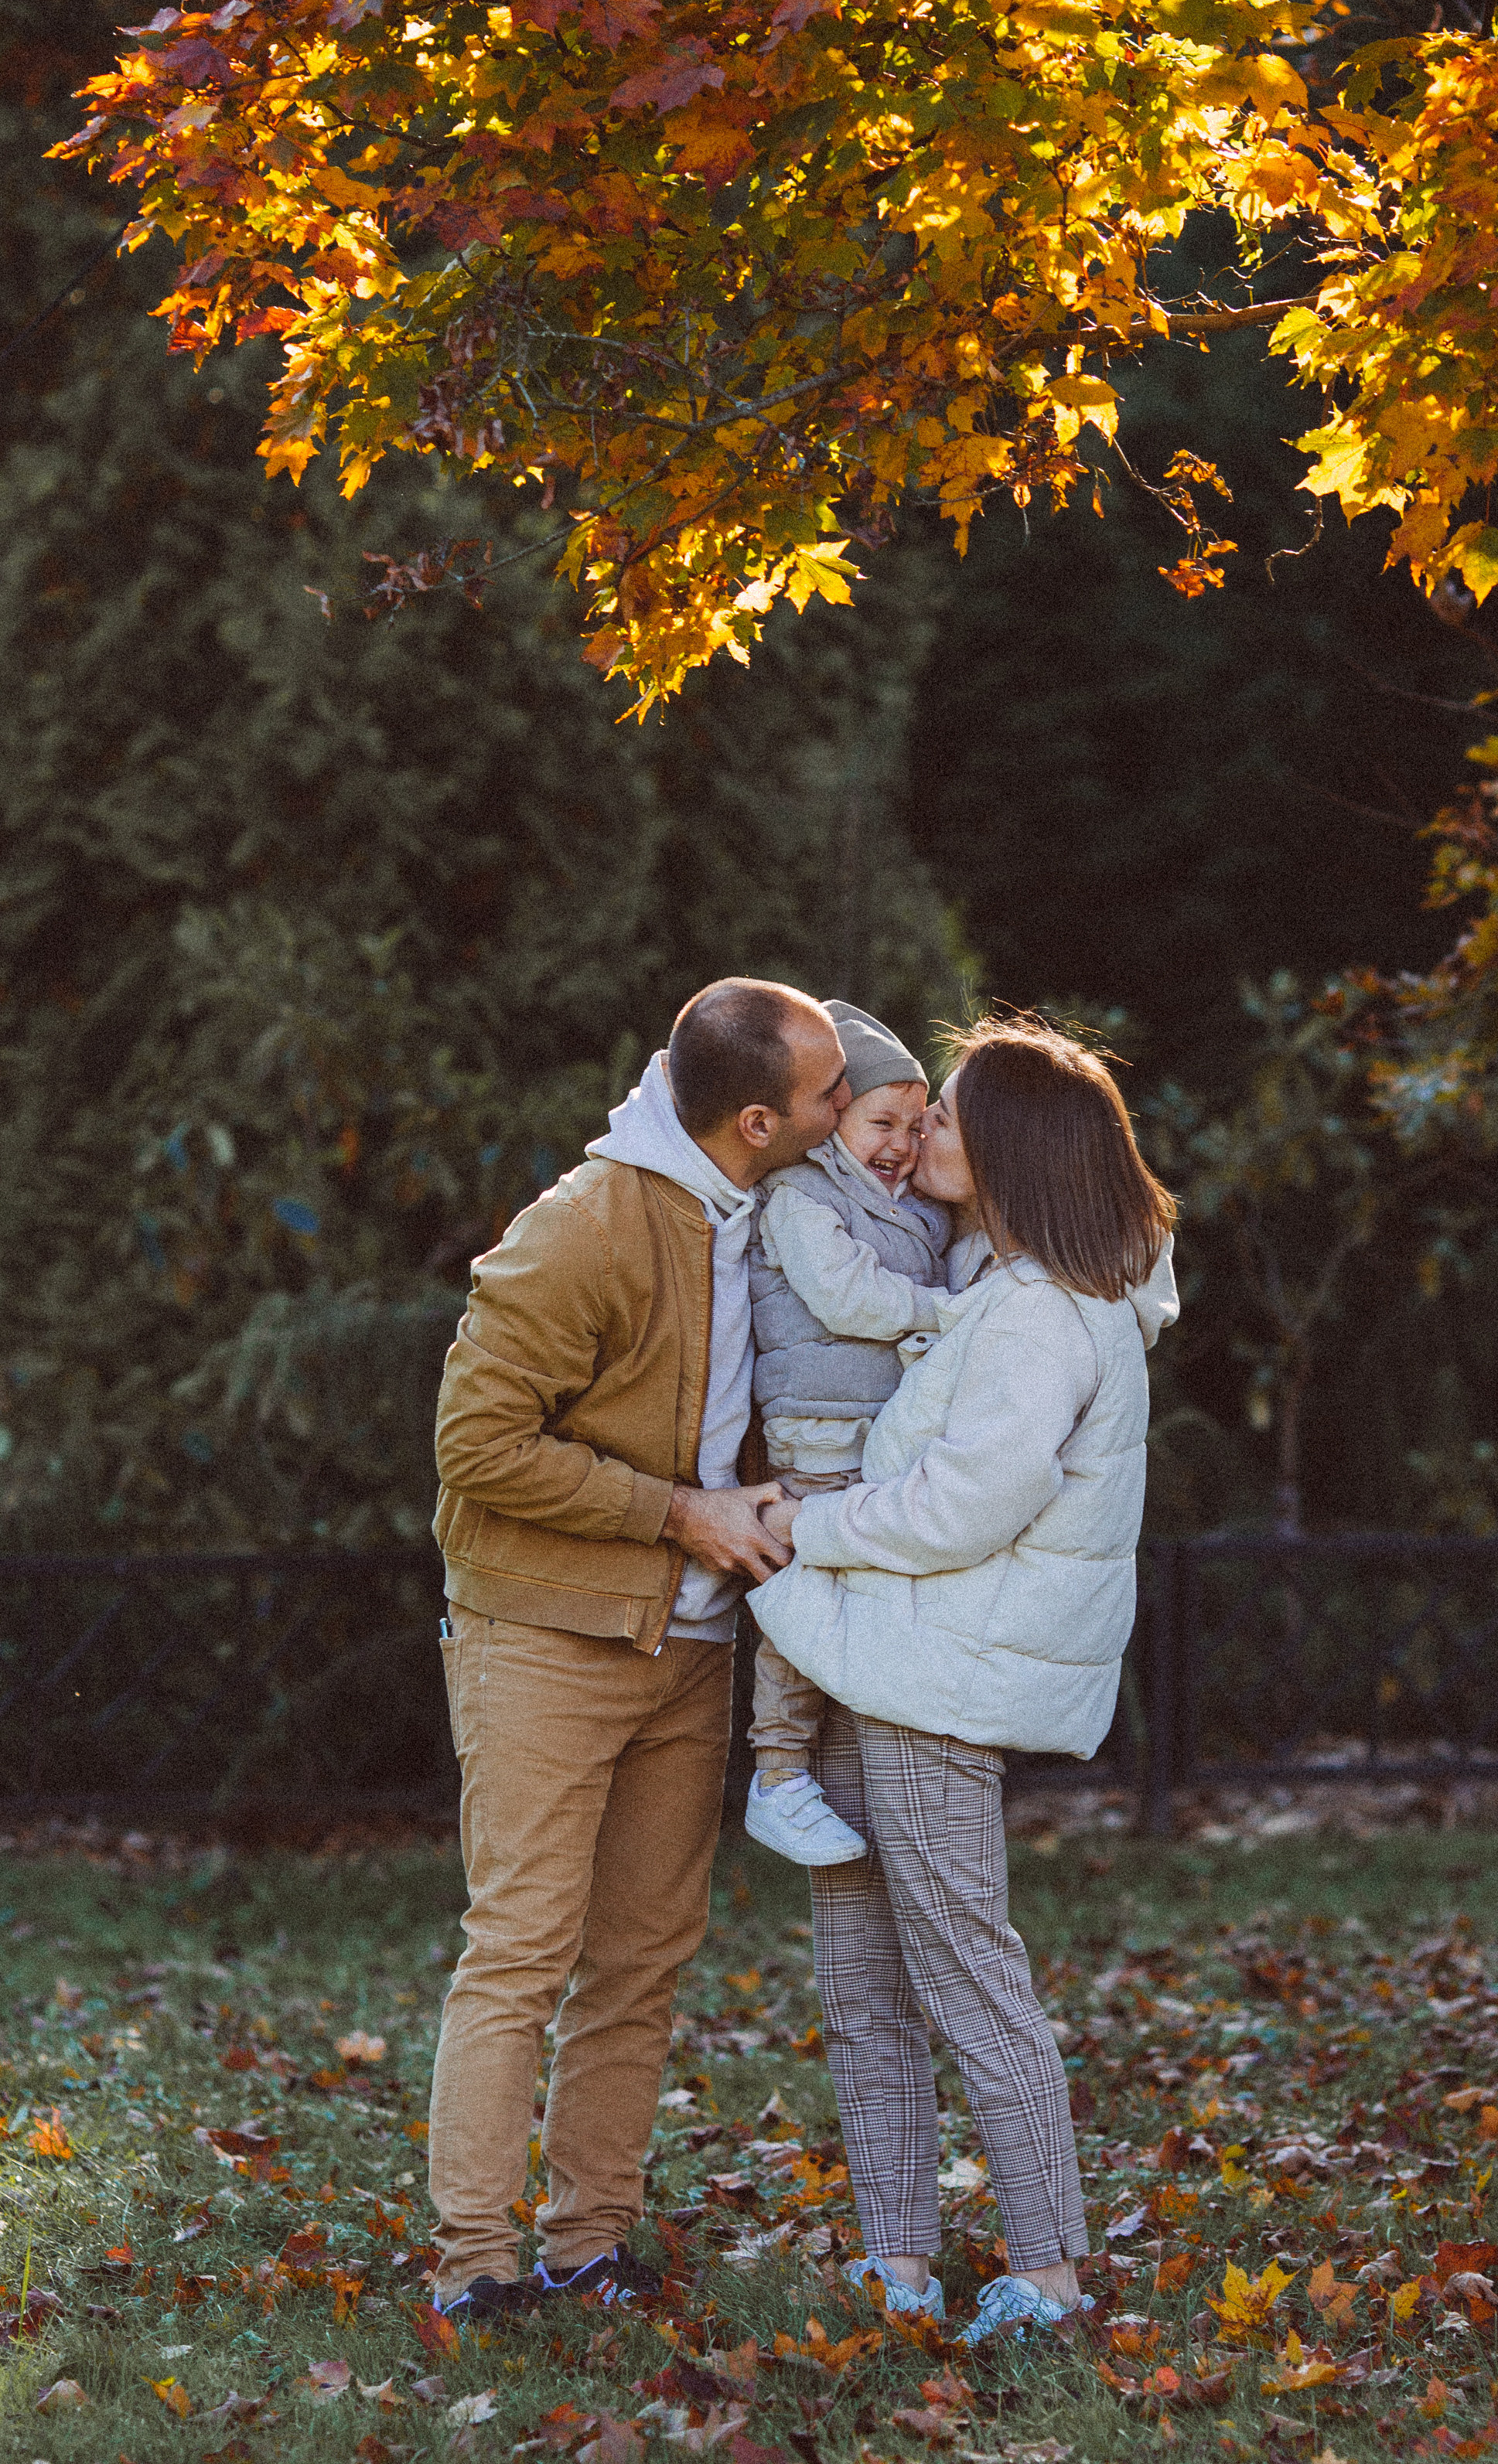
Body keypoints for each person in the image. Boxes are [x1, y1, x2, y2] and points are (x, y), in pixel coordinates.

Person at [751, 1015, 1179, 2346]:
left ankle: (1050, 2271)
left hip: (937, 1680)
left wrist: (801, 1529)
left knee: (968, 1976)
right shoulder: (996, 1289)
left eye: (944, 1114)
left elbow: (961, 1507)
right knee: (862, 1981)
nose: (919, 1130)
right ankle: (901, 2262)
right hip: (872, 1652)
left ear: (1009, 1146)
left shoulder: (1050, 1316)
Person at [422, 979, 844, 2328]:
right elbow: (475, 1449)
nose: (848, 1113)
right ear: (761, 1117)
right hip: (548, 1637)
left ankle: (591, 2242)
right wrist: (681, 1515)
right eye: (832, 1093)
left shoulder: (770, 1213)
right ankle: (474, 2263)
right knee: (523, 1950)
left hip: (697, 1647)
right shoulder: (586, 1225)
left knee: (642, 1959)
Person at [741, 1000, 950, 1867]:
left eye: (916, 1123)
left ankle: (868, 1757)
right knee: (807, 1599)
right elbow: (846, 1299)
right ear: (835, 1123)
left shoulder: (918, 1212)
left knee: (873, 1599)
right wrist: (946, 1314)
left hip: (886, 1442)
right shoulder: (799, 1197)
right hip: (819, 1437)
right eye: (880, 1121)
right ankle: (779, 1774)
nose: (900, 1142)